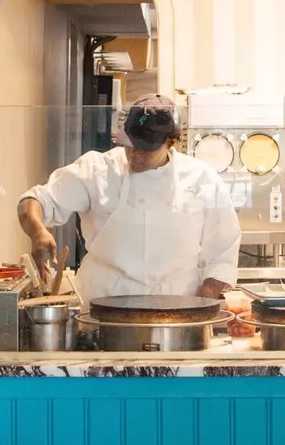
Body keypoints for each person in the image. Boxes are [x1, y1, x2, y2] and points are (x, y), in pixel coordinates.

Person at [16, 94, 240, 303]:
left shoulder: (202, 179)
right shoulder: (98, 169)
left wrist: (200, 305)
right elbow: (35, 200)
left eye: (145, 149)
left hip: (175, 314)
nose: (134, 154)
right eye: (129, 145)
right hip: (101, 309)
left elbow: (223, 253)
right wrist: (38, 232)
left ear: (171, 142)